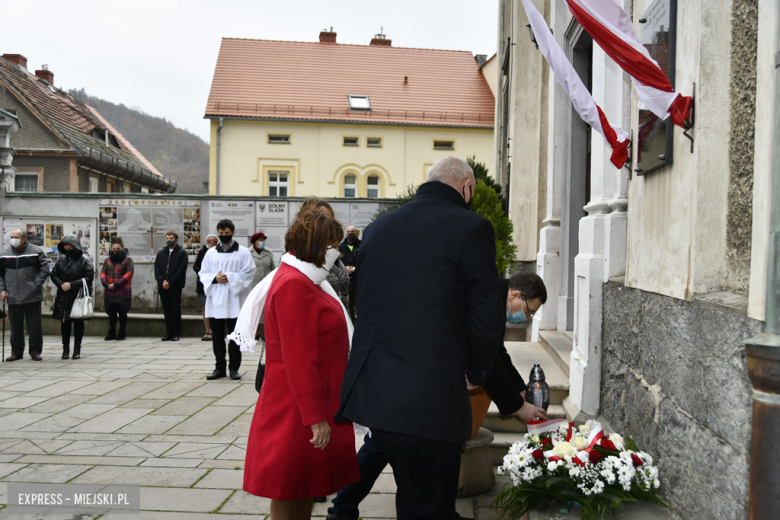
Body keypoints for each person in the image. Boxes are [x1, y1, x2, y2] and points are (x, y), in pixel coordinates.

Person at [335, 156, 505, 519]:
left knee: (421, 498)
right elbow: (486, 315)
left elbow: (361, 300)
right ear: (467, 187)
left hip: (374, 392)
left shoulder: (379, 227)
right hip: (427, 398)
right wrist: (476, 373)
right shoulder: (471, 227)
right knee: (426, 506)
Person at [327, 272, 549, 520]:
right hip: (415, 375)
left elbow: (497, 352)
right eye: (529, 311)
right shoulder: (486, 300)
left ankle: (343, 508)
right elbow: (489, 362)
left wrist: (520, 389)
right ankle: (347, 507)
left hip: (413, 376)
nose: (526, 317)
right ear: (516, 295)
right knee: (389, 443)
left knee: (381, 443)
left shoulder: (494, 297)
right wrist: (518, 406)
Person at [238, 209, 359, 519]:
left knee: (304, 486)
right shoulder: (295, 283)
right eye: (332, 244)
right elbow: (299, 358)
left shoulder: (306, 278)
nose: (336, 251)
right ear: (315, 245)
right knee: (290, 489)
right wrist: (316, 417)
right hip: (298, 407)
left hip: (309, 398)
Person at [198, 219, 256, 380]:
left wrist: (229, 277)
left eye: (226, 233)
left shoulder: (243, 252)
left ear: (233, 232)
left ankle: (234, 369)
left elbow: (249, 272)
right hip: (216, 299)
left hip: (235, 299)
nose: (224, 236)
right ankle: (219, 368)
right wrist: (215, 278)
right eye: (221, 234)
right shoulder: (210, 253)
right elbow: (203, 273)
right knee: (217, 336)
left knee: (235, 336)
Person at [0, 228, 49, 361]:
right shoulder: (4, 254)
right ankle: (16, 352)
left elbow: (44, 270)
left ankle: (35, 351)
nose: (13, 239)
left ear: (23, 239)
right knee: (15, 326)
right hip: (12, 295)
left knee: (34, 325)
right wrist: (2, 290)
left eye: (16, 236)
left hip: (32, 295)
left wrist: (34, 286)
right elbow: (1, 276)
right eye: (12, 236)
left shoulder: (36, 252)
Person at [51, 235, 94, 360]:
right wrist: (61, 284)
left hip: (77, 296)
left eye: (69, 247)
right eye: (65, 248)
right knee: (65, 323)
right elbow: (53, 274)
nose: (67, 250)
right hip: (63, 296)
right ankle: (65, 349)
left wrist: (72, 285)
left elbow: (89, 277)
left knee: (78, 322)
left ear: (75, 247)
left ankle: (77, 349)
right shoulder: (61, 260)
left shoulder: (84, 261)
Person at [154, 231, 188, 342]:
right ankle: (168, 332)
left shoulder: (182, 253)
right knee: (166, 309)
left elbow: (181, 270)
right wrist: (162, 281)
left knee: (175, 309)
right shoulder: (161, 253)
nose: (169, 240)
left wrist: (170, 282)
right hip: (163, 286)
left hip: (175, 286)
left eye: (171, 238)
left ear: (176, 239)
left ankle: (176, 333)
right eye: (167, 238)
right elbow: (157, 268)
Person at [101, 237, 134, 341]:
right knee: (112, 313)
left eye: (118, 248)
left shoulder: (128, 260)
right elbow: (103, 273)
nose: (115, 251)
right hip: (109, 291)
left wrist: (116, 284)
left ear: (122, 248)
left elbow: (129, 273)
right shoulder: (107, 260)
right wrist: (106, 283)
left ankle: (122, 332)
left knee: (122, 312)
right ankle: (112, 332)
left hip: (123, 291)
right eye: (113, 249)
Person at [194, 234, 218, 341]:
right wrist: (205, 275)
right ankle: (207, 330)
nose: (211, 242)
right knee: (205, 308)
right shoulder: (202, 251)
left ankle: (214, 331)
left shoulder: (218, 252)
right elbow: (196, 266)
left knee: (214, 307)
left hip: (216, 283)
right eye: (209, 240)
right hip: (203, 284)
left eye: (213, 240)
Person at [338, 226, 360, 322]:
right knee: (348, 304)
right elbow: (337, 263)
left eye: (352, 231)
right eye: (348, 231)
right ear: (345, 233)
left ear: (356, 233)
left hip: (359, 280)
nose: (350, 233)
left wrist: (355, 268)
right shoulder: (340, 247)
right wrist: (345, 269)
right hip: (345, 281)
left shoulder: (362, 245)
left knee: (359, 303)